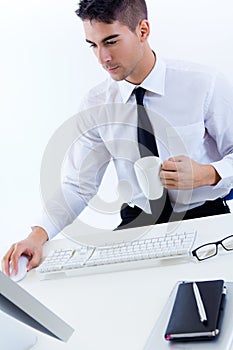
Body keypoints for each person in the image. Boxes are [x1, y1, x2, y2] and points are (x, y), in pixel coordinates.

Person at [2, 0, 233, 275]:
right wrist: (36, 236)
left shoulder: (203, 84)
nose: (102, 58)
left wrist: (208, 173)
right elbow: (78, 185)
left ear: (143, 30)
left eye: (111, 42)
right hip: (138, 221)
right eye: (93, 45)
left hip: (203, 215)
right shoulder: (96, 104)